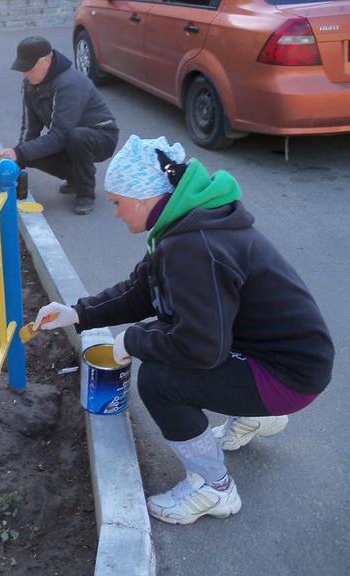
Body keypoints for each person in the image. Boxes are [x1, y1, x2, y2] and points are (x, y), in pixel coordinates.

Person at [32, 135, 334, 524]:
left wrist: (131, 341)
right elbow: (143, 292)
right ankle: (256, 415)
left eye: (117, 203)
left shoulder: (193, 247)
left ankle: (215, 488)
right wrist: (76, 313)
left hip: (289, 377)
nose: (117, 214)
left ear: (142, 199)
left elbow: (201, 348)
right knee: (163, 332)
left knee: (159, 379)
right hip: (282, 355)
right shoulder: (186, 224)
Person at [0, 36, 118, 215]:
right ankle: (75, 177)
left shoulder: (70, 83)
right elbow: (30, 126)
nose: (24, 74)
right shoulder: (31, 83)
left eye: (28, 68)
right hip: (69, 135)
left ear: (46, 61)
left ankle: (85, 192)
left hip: (101, 135)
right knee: (27, 151)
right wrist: (18, 159)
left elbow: (62, 134)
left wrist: (20, 153)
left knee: (77, 137)